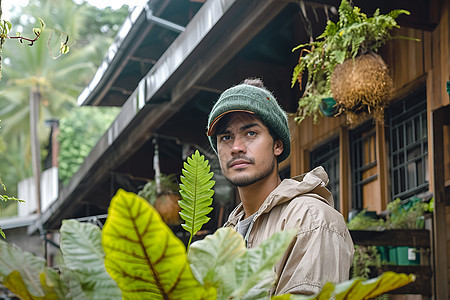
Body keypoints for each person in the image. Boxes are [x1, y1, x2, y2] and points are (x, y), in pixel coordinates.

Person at [206, 78, 354, 296]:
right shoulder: (227, 236)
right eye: (226, 137)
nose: (236, 147)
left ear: (278, 145)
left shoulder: (310, 219)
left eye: (250, 133)